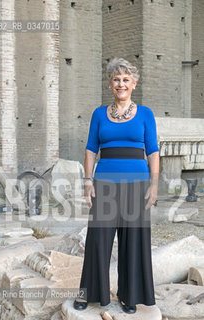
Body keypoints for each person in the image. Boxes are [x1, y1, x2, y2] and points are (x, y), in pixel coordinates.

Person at [73, 57, 160, 314]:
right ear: (110, 84)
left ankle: (129, 295)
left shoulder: (145, 114)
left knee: (133, 242)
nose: (120, 84)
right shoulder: (99, 114)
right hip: (104, 186)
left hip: (137, 184)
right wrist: (88, 182)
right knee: (98, 241)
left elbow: (153, 151)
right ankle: (88, 294)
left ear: (134, 83)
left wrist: (154, 185)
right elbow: (90, 149)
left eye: (125, 79)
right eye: (116, 79)